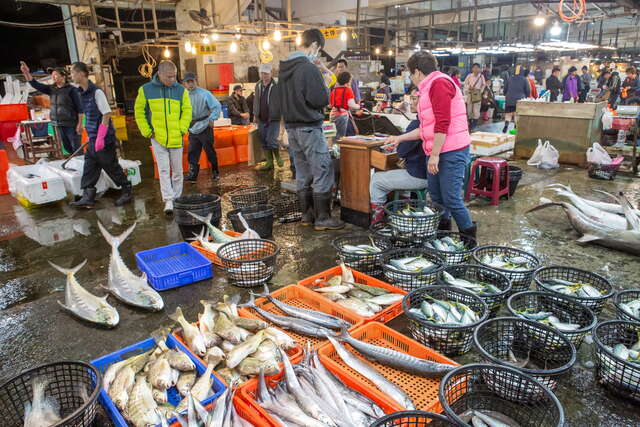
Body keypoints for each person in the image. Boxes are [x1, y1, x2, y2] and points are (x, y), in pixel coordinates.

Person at [384, 52, 475, 238]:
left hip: (451, 150)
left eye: (410, 73)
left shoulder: (439, 84)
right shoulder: (427, 89)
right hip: (437, 149)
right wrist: (399, 139)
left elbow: (443, 123)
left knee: (451, 198)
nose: (411, 78)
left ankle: (469, 239)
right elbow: (425, 129)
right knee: (437, 197)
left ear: (417, 71)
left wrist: (434, 155)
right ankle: (444, 236)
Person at [278, 28, 344, 231]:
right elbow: (321, 99)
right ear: (314, 45)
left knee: (303, 173)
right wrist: (324, 83)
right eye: (320, 50)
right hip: (309, 128)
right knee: (323, 170)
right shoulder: (308, 68)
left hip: (292, 129)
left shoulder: (284, 69)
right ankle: (323, 218)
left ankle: (307, 215)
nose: (319, 54)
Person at [68, 62, 132, 208]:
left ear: (81, 74)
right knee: (89, 167)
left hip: (104, 140)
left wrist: (101, 136)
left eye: (73, 73)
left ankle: (127, 191)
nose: (71, 76)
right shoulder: (81, 92)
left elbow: (107, 114)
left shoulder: (96, 92)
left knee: (111, 167)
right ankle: (88, 197)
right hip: (92, 139)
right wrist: (84, 128)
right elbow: (88, 113)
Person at [134, 60, 192, 215]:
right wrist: (147, 132)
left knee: (178, 171)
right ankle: (168, 200)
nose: (172, 80)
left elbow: (187, 111)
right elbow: (139, 112)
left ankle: (177, 198)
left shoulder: (181, 90)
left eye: (174, 77)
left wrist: (182, 129)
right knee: (164, 169)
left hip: (176, 137)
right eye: (169, 77)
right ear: (159, 74)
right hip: (157, 137)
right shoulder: (145, 90)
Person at [369, 87, 427, 224]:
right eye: (410, 99)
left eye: (414, 99)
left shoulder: (416, 124)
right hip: (431, 175)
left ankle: (377, 222)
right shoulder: (429, 121)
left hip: (419, 176)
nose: (411, 103)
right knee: (399, 171)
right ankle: (402, 211)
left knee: (376, 180)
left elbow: (401, 152)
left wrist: (398, 142)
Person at [20, 62, 84, 155]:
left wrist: (80, 124)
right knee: (67, 147)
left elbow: (80, 109)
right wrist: (26, 72)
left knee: (76, 147)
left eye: (56, 75)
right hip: (59, 123)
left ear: (63, 77)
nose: (53, 77)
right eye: (52, 75)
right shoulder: (52, 89)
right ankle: (78, 164)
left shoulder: (72, 90)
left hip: (71, 124)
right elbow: (35, 84)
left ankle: (85, 166)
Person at [183, 72, 222, 182]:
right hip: (192, 128)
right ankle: (193, 174)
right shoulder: (183, 95)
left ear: (196, 81)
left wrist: (212, 118)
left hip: (205, 126)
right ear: (184, 83)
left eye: (192, 81)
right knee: (192, 152)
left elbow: (216, 106)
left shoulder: (205, 93)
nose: (190, 84)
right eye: (188, 82)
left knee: (209, 151)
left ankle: (215, 172)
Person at [253, 63, 283, 171]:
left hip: (273, 117)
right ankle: (269, 162)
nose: (264, 76)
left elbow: (283, 99)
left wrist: (282, 115)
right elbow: (256, 100)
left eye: (266, 73)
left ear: (271, 73)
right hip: (261, 118)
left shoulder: (277, 84)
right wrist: (255, 114)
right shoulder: (258, 85)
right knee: (263, 140)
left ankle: (278, 156)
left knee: (271, 140)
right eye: (262, 73)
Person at [329, 71, 360, 141]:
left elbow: (330, 105)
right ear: (348, 80)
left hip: (332, 115)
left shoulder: (334, 90)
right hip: (342, 116)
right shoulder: (348, 90)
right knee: (340, 137)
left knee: (332, 135)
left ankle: (332, 149)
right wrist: (358, 106)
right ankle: (339, 150)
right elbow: (351, 105)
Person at [503, 68, 530, 133]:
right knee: (516, 114)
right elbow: (528, 91)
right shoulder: (524, 79)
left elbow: (505, 89)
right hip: (519, 100)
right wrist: (526, 96)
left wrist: (506, 95)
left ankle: (506, 125)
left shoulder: (509, 79)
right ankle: (515, 128)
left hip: (509, 99)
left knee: (508, 114)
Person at [463, 63, 486, 129]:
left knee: (476, 110)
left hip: (477, 95)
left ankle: (474, 125)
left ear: (479, 69)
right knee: (469, 109)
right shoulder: (469, 76)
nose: (476, 69)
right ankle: (470, 123)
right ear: (472, 69)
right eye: (474, 67)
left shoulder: (481, 76)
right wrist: (468, 87)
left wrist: (480, 91)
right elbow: (465, 84)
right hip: (470, 94)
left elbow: (484, 84)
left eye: (477, 67)